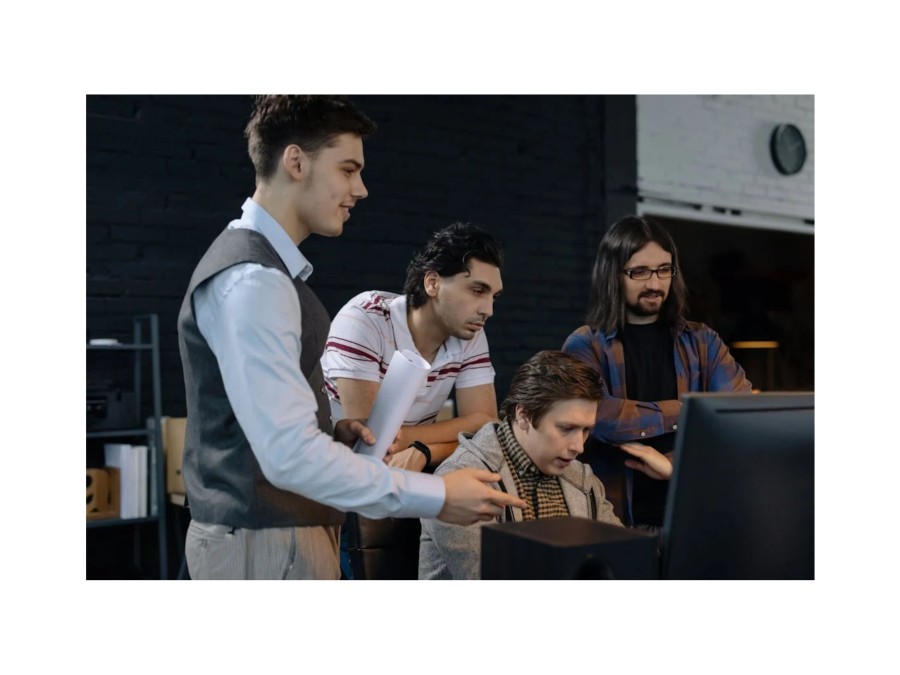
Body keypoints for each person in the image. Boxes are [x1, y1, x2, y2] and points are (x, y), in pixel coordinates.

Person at [176, 95, 524, 580]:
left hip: (284, 532)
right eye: (347, 169)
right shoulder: (255, 280)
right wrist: (439, 496)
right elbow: (289, 457)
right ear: (296, 161)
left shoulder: (267, 274)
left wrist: (328, 431)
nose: (360, 189)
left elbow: (269, 431)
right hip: (264, 540)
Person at [320, 222, 503, 578]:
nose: (488, 310)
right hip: (334, 488)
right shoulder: (366, 317)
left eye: (493, 297)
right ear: (432, 283)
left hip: (406, 477)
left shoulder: (469, 334)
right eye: (477, 290)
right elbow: (372, 440)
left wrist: (420, 446)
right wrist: (413, 439)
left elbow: (487, 424)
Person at [562, 214, 751, 530]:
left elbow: (738, 415)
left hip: (692, 515)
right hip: (612, 519)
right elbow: (597, 416)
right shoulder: (585, 345)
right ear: (613, 274)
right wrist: (691, 410)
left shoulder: (703, 341)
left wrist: (673, 466)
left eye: (664, 270)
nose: (654, 283)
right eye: (639, 272)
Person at [418, 351, 670, 580]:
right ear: (524, 415)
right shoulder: (462, 480)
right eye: (566, 428)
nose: (579, 446)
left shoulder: (583, 480)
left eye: (585, 431)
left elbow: (622, 566)